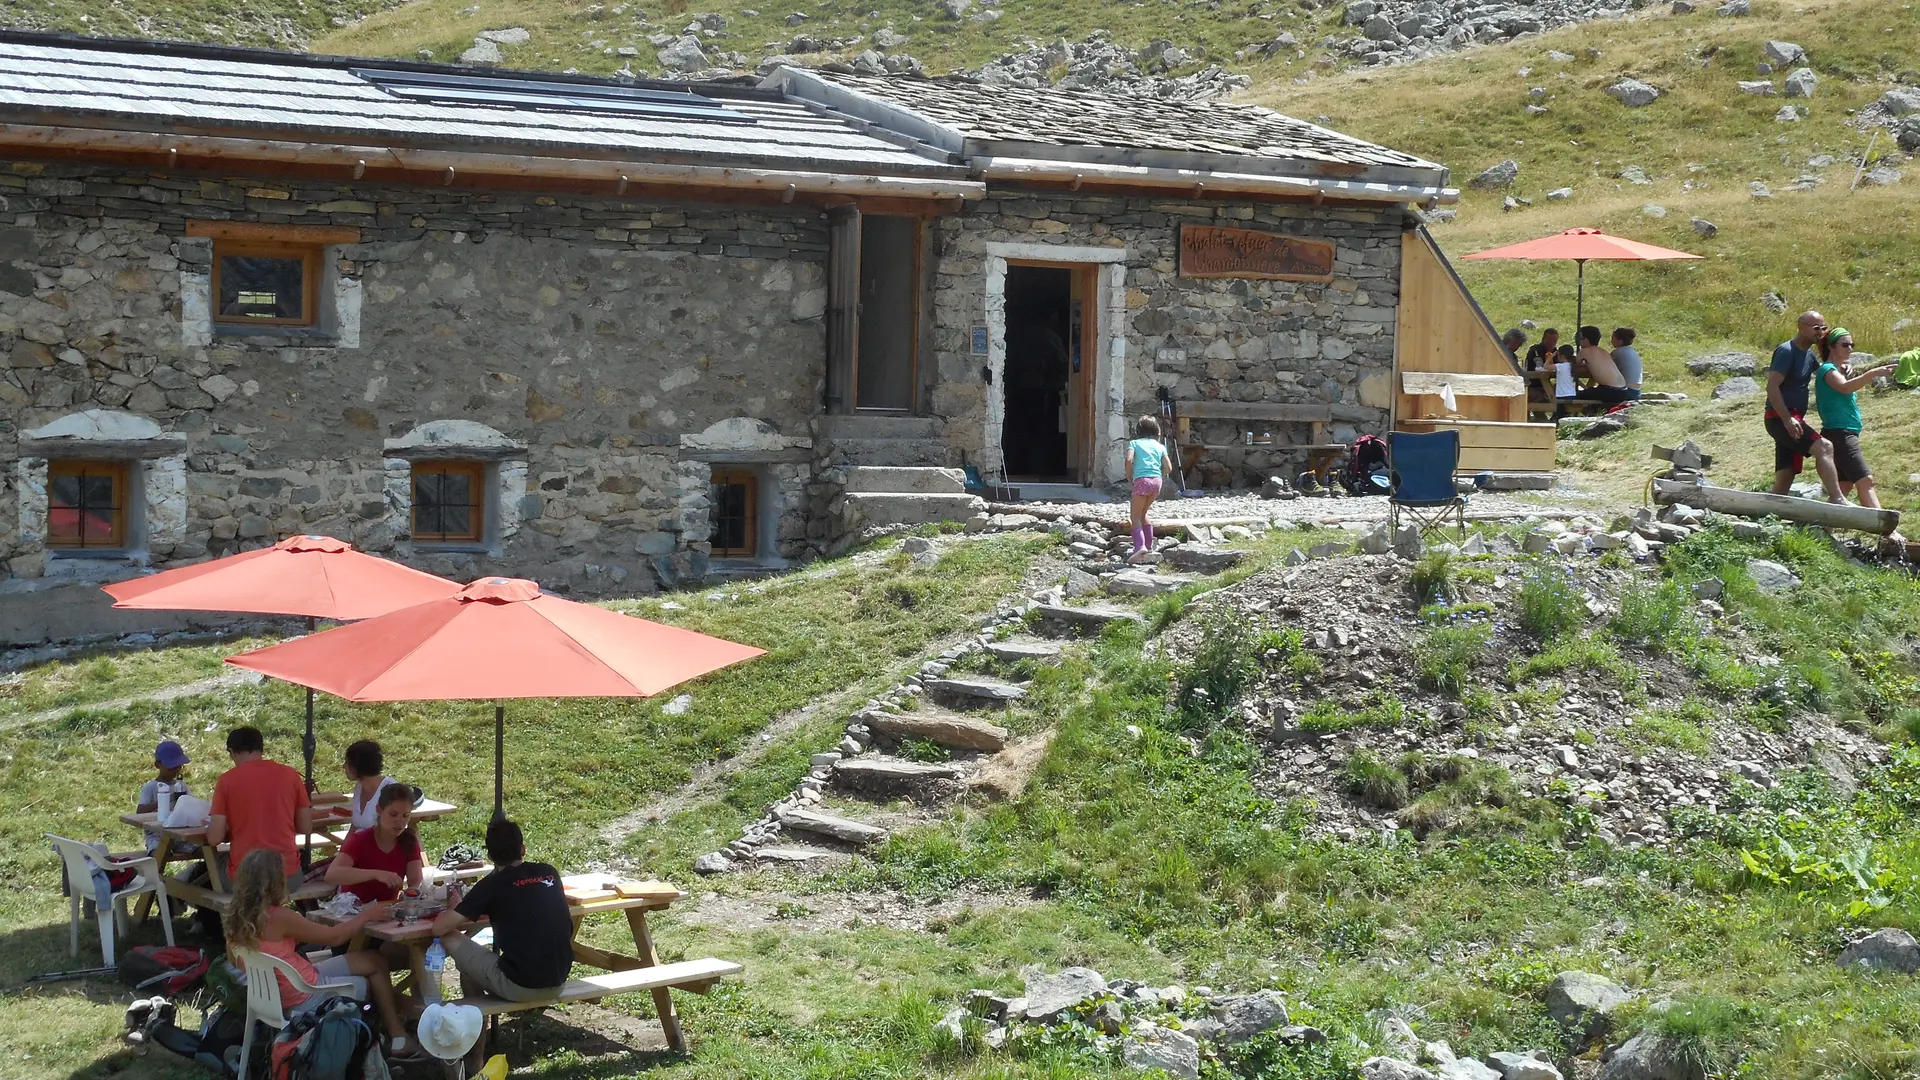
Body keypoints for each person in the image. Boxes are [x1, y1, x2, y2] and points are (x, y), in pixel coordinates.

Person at [224, 848, 420, 1058]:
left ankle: (399, 1029)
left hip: (276, 994)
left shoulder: (236, 917)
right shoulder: (280, 917)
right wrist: (367, 915)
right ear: (274, 880)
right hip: (304, 994)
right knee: (368, 981)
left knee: (374, 959)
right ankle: (398, 1031)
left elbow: (237, 960)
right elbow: (334, 937)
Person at [427, 819, 572, 1003]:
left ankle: (474, 1028)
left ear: (490, 855)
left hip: (520, 986)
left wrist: (456, 905)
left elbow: (439, 929)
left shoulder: (491, 884)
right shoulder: (549, 872)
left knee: (453, 943)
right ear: (523, 849)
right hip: (559, 982)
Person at [207, 726, 312, 885]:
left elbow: (214, 838)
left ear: (233, 752)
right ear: (261, 748)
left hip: (247, 882)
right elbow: (306, 827)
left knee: (206, 869)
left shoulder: (226, 781)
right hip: (288, 878)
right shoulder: (291, 775)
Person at [1813, 327, 1897, 514]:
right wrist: (1872, 373)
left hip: (1842, 432)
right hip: (1840, 434)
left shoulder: (1837, 369)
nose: (1850, 348)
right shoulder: (1827, 370)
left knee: (1844, 486)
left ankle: (1821, 530)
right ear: (1831, 347)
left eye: (1852, 344)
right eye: (1845, 344)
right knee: (1865, 480)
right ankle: (1886, 531)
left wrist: (1845, 369)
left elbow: (1843, 380)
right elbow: (1844, 388)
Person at [1765, 310, 1846, 501]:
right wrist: (1786, 419)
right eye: (1816, 328)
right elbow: (1772, 386)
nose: (1821, 332)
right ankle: (1837, 498)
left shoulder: (1808, 354)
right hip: (1780, 418)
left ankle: (1767, 513)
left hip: (1792, 418)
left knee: (1787, 474)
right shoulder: (1787, 351)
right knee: (1824, 448)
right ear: (1801, 327)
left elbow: (1824, 372)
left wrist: (1840, 367)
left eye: (1823, 328)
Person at [326, 783, 424, 904]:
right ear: (379, 810)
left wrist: (411, 892)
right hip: (353, 909)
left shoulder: (408, 841)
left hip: (386, 910)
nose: (400, 821)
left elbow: (415, 881)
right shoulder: (360, 840)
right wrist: (375, 874)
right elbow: (332, 874)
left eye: (406, 816)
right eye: (393, 814)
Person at [1124, 415, 1172, 565]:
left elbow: (1128, 460)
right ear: (1156, 430)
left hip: (1141, 481)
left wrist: (1129, 476)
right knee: (1144, 513)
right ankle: (1149, 546)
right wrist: (1160, 476)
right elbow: (1169, 468)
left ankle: (1139, 547)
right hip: (1157, 482)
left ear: (1138, 430)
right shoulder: (1160, 446)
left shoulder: (1134, 443)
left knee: (1135, 517)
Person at [135, 740, 194, 854]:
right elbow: (140, 811)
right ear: (158, 765)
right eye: (171, 768)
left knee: (200, 848)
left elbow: (191, 805)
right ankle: (156, 871)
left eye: (178, 767)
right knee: (159, 852)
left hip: (179, 831)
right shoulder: (150, 787)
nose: (176, 771)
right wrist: (163, 800)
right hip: (156, 833)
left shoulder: (181, 786)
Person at [343, 739, 401, 833]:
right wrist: (345, 847)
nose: (344, 766)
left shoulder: (390, 789)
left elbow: (392, 833)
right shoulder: (359, 787)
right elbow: (354, 827)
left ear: (358, 766)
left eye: (347, 762)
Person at [1574, 325, 1635, 404]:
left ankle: (1562, 413)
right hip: (1623, 389)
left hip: (1609, 391)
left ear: (1586, 340)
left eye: (1580, 339)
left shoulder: (1584, 351)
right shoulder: (1603, 351)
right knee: (1589, 392)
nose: (1579, 341)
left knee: (1571, 395)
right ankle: (1592, 412)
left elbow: (1572, 366)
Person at [1610, 327, 1644, 392]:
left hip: (1625, 390)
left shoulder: (1617, 352)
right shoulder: (1633, 351)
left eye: (1613, 339)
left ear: (1620, 341)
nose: (1611, 341)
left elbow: (1603, 365)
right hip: (1636, 391)